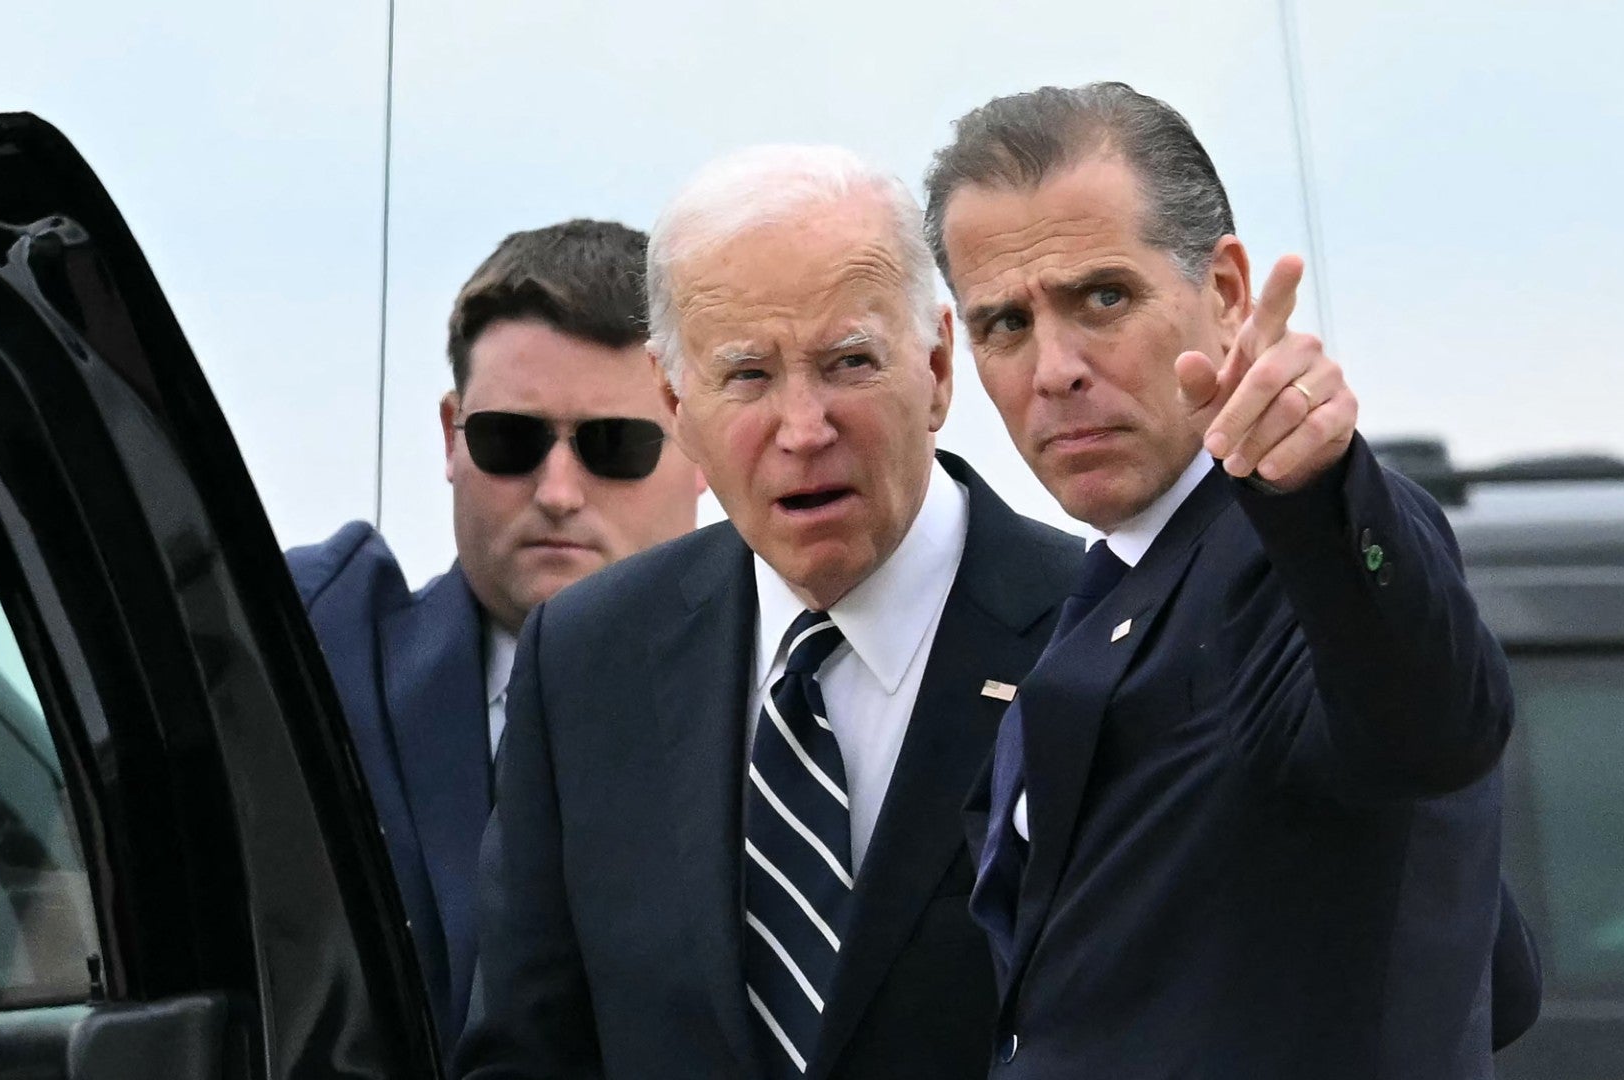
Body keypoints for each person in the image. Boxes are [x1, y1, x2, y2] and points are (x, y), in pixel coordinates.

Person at [924, 82, 1533, 1076]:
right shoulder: (1101, 590)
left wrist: (1321, 489)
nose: (1056, 368)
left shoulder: (1299, 542)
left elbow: (1433, 728)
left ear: (1229, 292)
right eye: (1004, 325)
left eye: (1103, 298)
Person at [454, 147, 1080, 1080]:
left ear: (939, 367)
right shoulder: (587, 659)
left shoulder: (1096, 633)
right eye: (746, 375)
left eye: (849, 363)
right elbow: (526, 1051)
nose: (802, 428)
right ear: (678, 403)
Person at [286, 218, 703, 1054]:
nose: (557, 491)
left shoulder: (791, 704)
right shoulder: (318, 659)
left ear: (703, 443)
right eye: (510, 439)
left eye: (613, 446)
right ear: (451, 434)